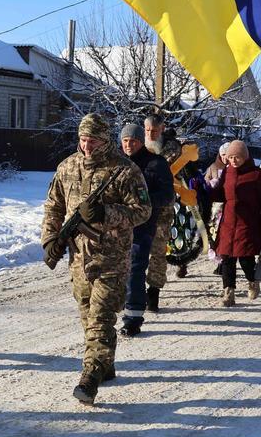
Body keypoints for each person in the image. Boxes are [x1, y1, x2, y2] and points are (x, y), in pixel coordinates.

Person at [41, 114, 151, 404]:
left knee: (101, 318)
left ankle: (90, 376)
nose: (87, 146)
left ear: (106, 140)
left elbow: (142, 210)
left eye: (93, 141)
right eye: (83, 140)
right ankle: (105, 363)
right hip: (79, 259)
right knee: (88, 318)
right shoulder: (67, 167)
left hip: (112, 258)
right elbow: (53, 207)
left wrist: (107, 214)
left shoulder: (124, 170)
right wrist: (50, 239)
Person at [119, 123, 175, 337]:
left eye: (133, 141)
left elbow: (167, 194)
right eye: (125, 141)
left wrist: (144, 203)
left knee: (135, 268)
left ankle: (133, 317)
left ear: (141, 142)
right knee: (118, 270)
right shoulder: (117, 163)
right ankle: (117, 307)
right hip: (118, 226)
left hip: (143, 225)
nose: (128, 145)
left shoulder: (156, 163)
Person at [208, 140, 261, 305]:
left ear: (245, 156)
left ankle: (252, 281)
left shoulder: (257, 174)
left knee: (246, 260)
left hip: (248, 223)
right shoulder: (227, 172)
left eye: (237, 157)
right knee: (227, 259)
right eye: (230, 157)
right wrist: (204, 191)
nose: (233, 161)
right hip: (228, 222)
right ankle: (228, 293)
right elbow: (220, 194)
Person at [144, 114, 182, 304]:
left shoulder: (171, 148)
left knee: (158, 250)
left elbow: (163, 165)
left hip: (162, 207)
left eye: (155, 131)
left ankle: (154, 289)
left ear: (162, 129)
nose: (150, 135)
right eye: (148, 131)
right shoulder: (138, 145)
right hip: (140, 206)